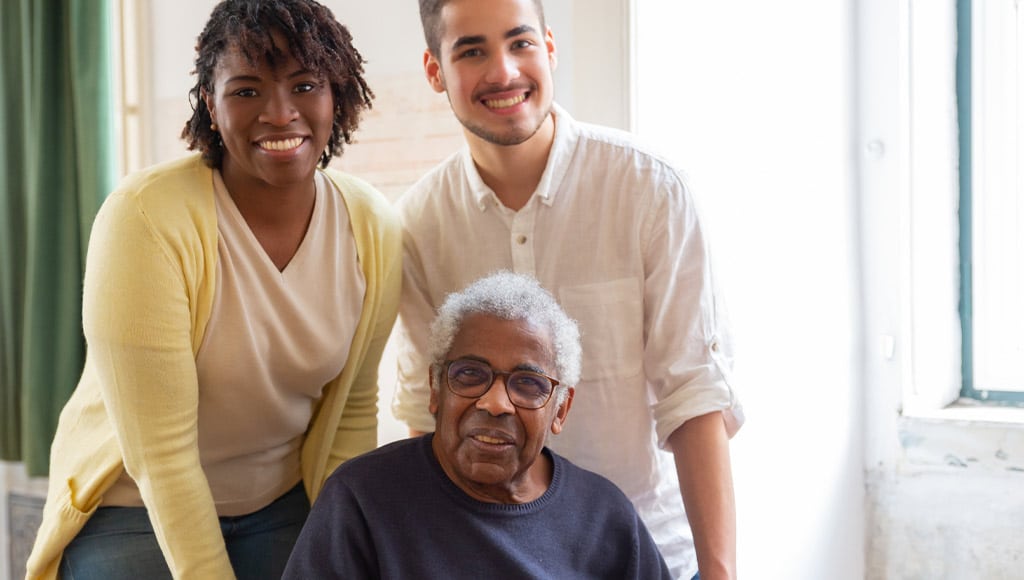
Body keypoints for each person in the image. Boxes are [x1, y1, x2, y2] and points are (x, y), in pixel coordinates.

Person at [25, 1, 400, 578]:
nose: (280, 113)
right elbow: (163, 459)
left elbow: (351, 411)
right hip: (135, 507)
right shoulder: (145, 219)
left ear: (336, 94)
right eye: (247, 91)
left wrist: (347, 548)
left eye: (305, 85)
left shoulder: (371, 226)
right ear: (211, 103)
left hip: (282, 502)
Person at [392, 1, 744, 578]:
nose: (504, 71)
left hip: (647, 552)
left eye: (520, 43)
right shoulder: (416, 226)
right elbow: (428, 414)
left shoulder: (652, 190)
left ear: (550, 47)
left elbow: (696, 396)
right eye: (472, 50)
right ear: (435, 70)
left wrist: (719, 573)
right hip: (490, 556)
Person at [283, 272, 672, 579]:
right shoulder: (362, 500)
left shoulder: (604, 517)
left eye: (528, 384)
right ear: (435, 389)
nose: (495, 403)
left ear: (560, 410)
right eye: (470, 374)